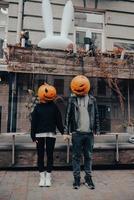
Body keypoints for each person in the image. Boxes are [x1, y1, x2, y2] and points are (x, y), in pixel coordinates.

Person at [64, 75, 100, 190]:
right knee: (76, 157)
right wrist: (66, 131)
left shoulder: (93, 99)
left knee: (88, 156)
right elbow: (68, 115)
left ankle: (88, 178)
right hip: (77, 133)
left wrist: (97, 129)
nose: (80, 87)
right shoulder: (72, 99)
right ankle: (77, 179)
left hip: (89, 133)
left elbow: (97, 115)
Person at [31, 83, 64, 187]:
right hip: (39, 135)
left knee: (50, 156)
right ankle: (42, 177)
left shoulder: (54, 107)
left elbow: (59, 121)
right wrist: (33, 135)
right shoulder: (37, 107)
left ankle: (48, 177)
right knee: (40, 156)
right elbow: (34, 122)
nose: (48, 93)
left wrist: (64, 132)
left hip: (51, 134)